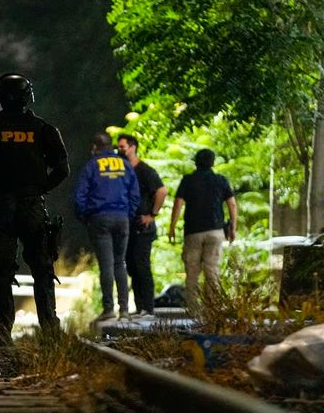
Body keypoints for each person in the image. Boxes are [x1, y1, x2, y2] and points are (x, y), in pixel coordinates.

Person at [0, 73, 69, 345]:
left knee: (2, 271)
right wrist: (39, 188)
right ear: (27, 96)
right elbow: (62, 169)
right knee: (42, 269)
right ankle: (50, 331)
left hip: (1, 208)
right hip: (32, 206)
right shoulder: (44, 129)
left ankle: (2, 330)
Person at [75, 133, 139, 321]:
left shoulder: (92, 166)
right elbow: (135, 194)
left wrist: (85, 217)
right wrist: (128, 214)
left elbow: (80, 196)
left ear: (96, 147)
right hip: (122, 218)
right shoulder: (125, 164)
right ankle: (124, 310)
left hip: (100, 219)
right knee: (120, 263)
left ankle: (108, 308)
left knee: (106, 265)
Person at [167, 149, 237, 306]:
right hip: (215, 231)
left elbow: (178, 203)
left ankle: (192, 307)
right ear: (213, 162)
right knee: (212, 270)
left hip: (193, 232)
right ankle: (212, 307)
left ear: (196, 162)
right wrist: (233, 227)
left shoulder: (188, 180)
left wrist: (172, 227)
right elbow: (232, 204)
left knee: (192, 271)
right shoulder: (220, 180)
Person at [117, 134, 167, 317]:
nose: (119, 150)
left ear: (133, 147)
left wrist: (152, 215)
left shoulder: (145, 170)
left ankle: (147, 307)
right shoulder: (122, 169)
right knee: (131, 266)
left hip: (142, 227)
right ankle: (140, 307)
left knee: (141, 266)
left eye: (122, 147)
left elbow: (162, 191)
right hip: (128, 226)